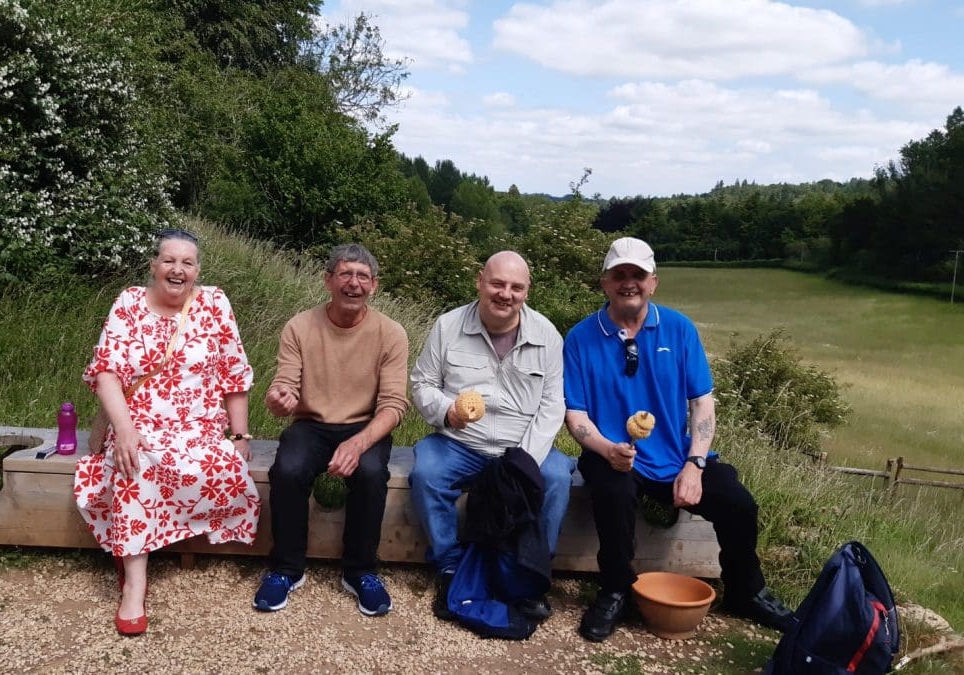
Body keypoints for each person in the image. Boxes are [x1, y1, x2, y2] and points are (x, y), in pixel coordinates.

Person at [563, 237, 794, 642]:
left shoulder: (679, 329)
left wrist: (695, 464)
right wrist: (607, 448)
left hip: (675, 455)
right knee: (612, 491)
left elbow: (702, 404)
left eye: (638, 274)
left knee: (738, 502)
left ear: (653, 282)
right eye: (619, 274)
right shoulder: (580, 337)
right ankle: (616, 589)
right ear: (605, 282)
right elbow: (576, 415)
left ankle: (746, 590)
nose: (629, 283)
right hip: (611, 453)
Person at [74, 228, 262, 636]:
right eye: (169, 261)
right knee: (134, 462)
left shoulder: (214, 303)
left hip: (198, 425)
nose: (178, 270)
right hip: (137, 422)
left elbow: (233, 373)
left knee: (224, 468)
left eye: (187, 263)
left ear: (197, 270)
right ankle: (134, 583)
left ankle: (173, 537)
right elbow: (106, 372)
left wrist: (240, 436)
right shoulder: (129, 303)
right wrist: (124, 429)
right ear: (154, 266)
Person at [410, 251, 574, 621]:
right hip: (460, 442)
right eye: (497, 283)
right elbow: (422, 383)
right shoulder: (448, 326)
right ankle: (450, 566)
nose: (505, 294)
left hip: (523, 444)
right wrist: (447, 411)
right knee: (427, 473)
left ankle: (531, 570)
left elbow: (553, 405)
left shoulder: (547, 335)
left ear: (527, 291)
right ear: (480, 281)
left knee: (556, 478)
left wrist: (525, 459)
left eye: (516, 287)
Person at [253, 243, 409, 617]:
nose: (353, 283)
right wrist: (279, 398)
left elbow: (393, 405)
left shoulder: (391, 333)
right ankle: (287, 568)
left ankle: (360, 571)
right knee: (288, 469)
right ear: (328, 281)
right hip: (311, 424)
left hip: (365, 425)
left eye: (363, 276)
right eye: (345, 274)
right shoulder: (300, 326)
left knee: (370, 472)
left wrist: (358, 443)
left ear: (374, 285)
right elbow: (285, 383)